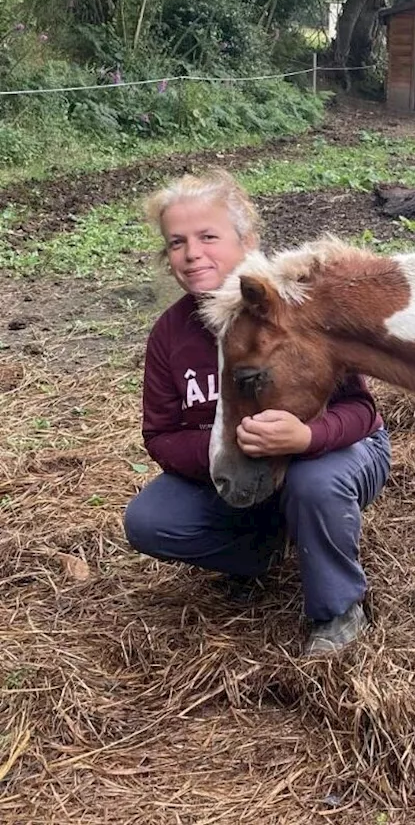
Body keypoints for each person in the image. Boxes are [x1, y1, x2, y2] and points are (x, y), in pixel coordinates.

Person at [123, 169, 392, 655]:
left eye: (208, 236)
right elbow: (160, 433)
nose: (192, 253)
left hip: (333, 452)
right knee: (149, 520)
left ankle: (337, 609)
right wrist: (232, 449)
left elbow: (362, 411)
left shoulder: (296, 309)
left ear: (247, 241)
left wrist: (305, 440)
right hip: (239, 464)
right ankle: (267, 549)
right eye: (177, 242)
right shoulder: (170, 334)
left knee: (314, 484)